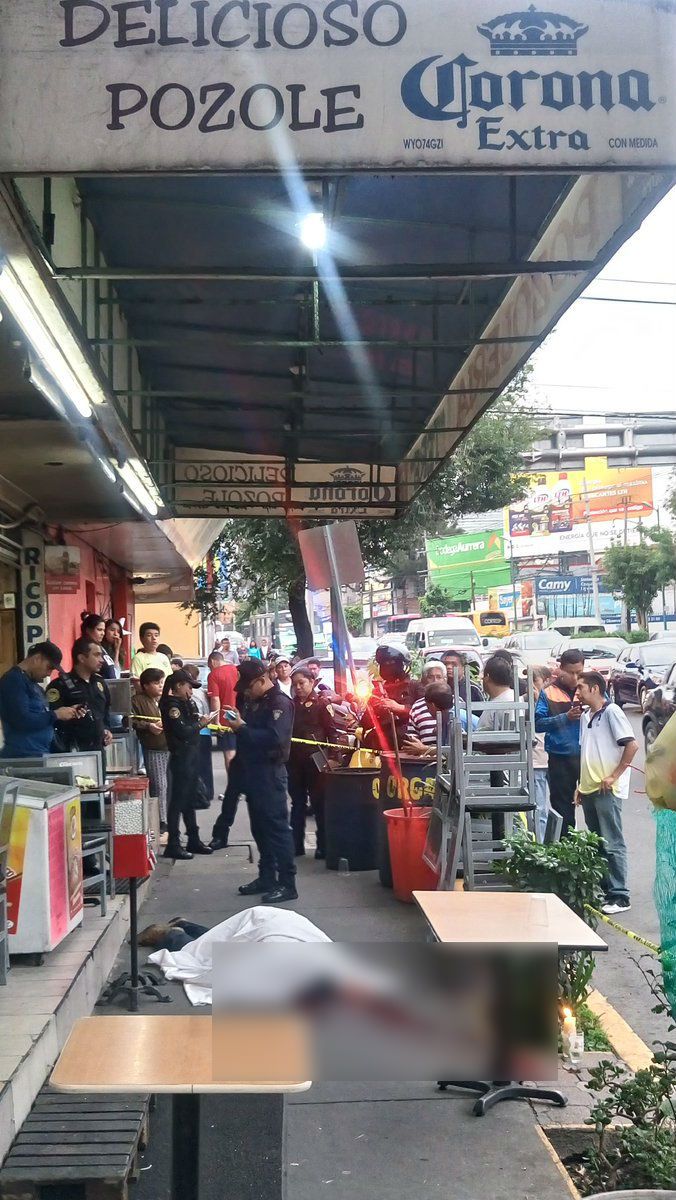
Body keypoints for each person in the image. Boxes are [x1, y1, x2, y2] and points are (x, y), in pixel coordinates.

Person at [219, 659, 297, 904]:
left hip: (270, 772)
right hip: (252, 772)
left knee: (277, 829)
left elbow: (274, 738)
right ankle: (267, 875)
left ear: (262, 680)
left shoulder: (279, 702)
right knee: (260, 828)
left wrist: (241, 728)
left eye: (249, 686)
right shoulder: (256, 701)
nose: (245, 691)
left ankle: (287, 882)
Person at [575, 670, 637, 915]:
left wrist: (614, 775)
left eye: (581, 687)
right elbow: (585, 751)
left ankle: (620, 895)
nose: (577, 692)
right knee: (598, 841)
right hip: (589, 787)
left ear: (595, 688)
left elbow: (631, 744)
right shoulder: (585, 716)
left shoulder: (612, 712)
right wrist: (579, 786)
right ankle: (605, 890)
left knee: (612, 841)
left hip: (606, 788)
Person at [159, 669, 213, 860]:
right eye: (189, 687)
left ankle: (194, 838)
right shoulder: (172, 706)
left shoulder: (184, 703)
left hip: (190, 757)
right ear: (178, 686)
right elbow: (182, 731)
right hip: (181, 757)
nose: (191, 691)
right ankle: (173, 843)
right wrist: (201, 724)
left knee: (189, 800)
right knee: (178, 802)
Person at [288, 666, 338, 859]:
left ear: (312, 682)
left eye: (302, 683)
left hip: (316, 761)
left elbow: (332, 733)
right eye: (295, 685)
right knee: (297, 804)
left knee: (319, 804)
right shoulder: (291, 705)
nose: (298, 687)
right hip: (294, 762)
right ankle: (296, 844)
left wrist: (333, 757)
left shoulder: (322, 704)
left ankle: (323, 845)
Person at [535, 648, 586, 835]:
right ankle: (566, 851)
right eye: (570, 672)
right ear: (560, 669)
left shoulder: (592, 689)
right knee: (562, 810)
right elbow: (538, 724)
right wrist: (565, 717)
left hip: (588, 757)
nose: (575, 677)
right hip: (560, 758)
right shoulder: (548, 693)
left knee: (593, 807)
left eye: (579, 672)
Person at [0, 641, 79, 757]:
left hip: (40, 753)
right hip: (23, 755)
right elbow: (21, 719)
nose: (49, 673)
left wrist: (66, 713)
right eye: (49, 667)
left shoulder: (35, 686)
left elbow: (40, 716)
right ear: (37, 658)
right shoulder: (14, 680)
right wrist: (56, 714)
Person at [47, 638, 113, 754]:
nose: (101, 660)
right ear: (82, 658)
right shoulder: (59, 685)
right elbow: (51, 717)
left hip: (98, 748)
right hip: (71, 749)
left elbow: (106, 709)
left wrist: (106, 728)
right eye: (97, 655)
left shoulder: (99, 682)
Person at [132, 668, 169, 843]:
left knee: (168, 785)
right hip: (153, 747)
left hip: (170, 746)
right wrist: (148, 726)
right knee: (159, 785)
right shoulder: (137, 701)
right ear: (145, 685)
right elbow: (128, 720)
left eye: (161, 682)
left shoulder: (164, 700)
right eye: (156, 683)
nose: (160, 686)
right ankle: (161, 822)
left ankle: (168, 818)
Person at [207, 651, 239, 849]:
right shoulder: (236, 670)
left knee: (229, 753)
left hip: (227, 721)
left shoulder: (214, 675)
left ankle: (233, 784)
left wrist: (217, 721)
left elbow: (215, 700)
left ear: (212, 662)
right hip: (241, 719)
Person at [362, 644, 420, 751]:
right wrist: (374, 709)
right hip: (381, 748)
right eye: (384, 663)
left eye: (392, 662)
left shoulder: (415, 686)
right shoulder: (378, 690)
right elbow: (365, 724)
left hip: (408, 744)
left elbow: (427, 713)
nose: (388, 666)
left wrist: (400, 708)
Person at [184, 663, 214, 804]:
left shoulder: (190, 694)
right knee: (205, 765)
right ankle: (207, 793)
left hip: (196, 731)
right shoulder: (201, 691)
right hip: (205, 731)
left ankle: (199, 796)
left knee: (195, 765)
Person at [403, 661, 448, 751]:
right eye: (430, 677)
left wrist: (427, 749)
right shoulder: (417, 707)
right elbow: (413, 740)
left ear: (445, 680)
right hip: (425, 761)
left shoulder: (457, 703)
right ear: (423, 681)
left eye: (439, 677)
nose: (435, 681)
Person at [532, 666, 553, 841]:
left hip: (554, 760)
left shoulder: (551, 699)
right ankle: (541, 847)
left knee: (561, 806)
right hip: (536, 762)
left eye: (535, 681)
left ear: (546, 681)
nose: (531, 685)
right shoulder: (523, 701)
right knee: (539, 808)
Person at [131, 623, 173, 687]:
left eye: (156, 635)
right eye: (149, 635)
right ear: (141, 639)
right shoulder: (138, 658)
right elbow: (137, 683)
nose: (154, 638)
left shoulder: (164, 657)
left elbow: (170, 679)